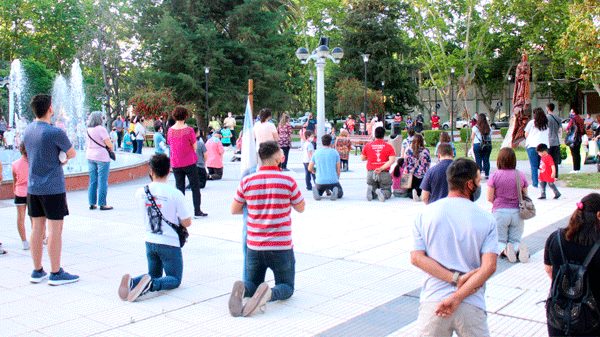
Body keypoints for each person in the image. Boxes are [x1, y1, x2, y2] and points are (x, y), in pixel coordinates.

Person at [411, 158, 498, 336]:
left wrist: (454, 279)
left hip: (433, 302)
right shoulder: (487, 219)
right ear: (470, 184)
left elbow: (416, 258)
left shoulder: (424, 214)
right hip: (472, 303)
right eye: (478, 181)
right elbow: (489, 266)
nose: (479, 185)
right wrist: (457, 295)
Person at [229, 141, 305, 317]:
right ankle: (269, 294)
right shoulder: (288, 180)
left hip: (254, 246)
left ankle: (244, 289)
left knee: (252, 283)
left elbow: (234, 209)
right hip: (281, 247)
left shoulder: (247, 181)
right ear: (278, 157)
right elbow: (300, 207)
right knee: (286, 286)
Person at [119, 153, 192, 302]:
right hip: (169, 243)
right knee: (174, 279)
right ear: (169, 171)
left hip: (150, 241)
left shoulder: (140, 193)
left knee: (153, 273)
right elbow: (187, 222)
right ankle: (150, 286)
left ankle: (132, 282)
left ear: (151, 171)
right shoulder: (175, 194)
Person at [24, 94, 78, 285]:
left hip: (33, 187)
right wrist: (61, 157)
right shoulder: (55, 132)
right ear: (50, 109)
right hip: (53, 187)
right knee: (55, 229)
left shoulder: (27, 130)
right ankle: (56, 272)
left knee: (36, 228)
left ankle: (37, 270)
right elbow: (71, 152)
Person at [544, 193, 600, 337]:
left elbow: (550, 271)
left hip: (559, 316)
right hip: (593, 319)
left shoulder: (555, 238)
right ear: (599, 215)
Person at [487, 148, 529, 263]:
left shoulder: (494, 175)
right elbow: (525, 194)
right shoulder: (520, 175)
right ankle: (518, 249)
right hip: (517, 212)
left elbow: (489, 198)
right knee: (515, 239)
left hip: (500, 211)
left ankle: (505, 250)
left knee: (499, 241)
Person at [167, 106, 207, 217]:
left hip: (176, 163)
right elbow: (194, 147)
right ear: (185, 116)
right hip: (189, 162)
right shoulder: (189, 130)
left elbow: (170, 144)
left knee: (179, 188)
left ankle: (180, 212)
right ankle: (197, 210)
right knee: (195, 187)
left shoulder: (170, 130)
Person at [87, 111, 114, 211]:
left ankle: (92, 203)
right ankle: (102, 204)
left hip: (90, 156)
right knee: (102, 181)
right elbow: (109, 144)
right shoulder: (101, 129)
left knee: (93, 180)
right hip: (102, 157)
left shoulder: (88, 129)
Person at [361, 126, 395, 202]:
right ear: (384, 135)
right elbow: (392, 160)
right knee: (387, 189)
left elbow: (362, 158)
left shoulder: (368, 145)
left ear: (374, 134)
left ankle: (372, 192)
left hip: (371, 172)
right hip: (384, 173)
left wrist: (370, 157)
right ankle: (383, 193)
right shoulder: (389, 146)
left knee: (373, 186)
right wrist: (381, 168)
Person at [309, 134, 343, 200]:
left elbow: (309, 168)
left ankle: (317, 191)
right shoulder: (335, 152)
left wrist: (314, 172)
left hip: (320, 181)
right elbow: (338, 168)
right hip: (333, 180)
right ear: (330, 142)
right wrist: (337, 177)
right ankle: (335, 191)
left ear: (322, 142)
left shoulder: (316, 153)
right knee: (340, 193)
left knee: (320, 190)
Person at [524, 107, 549, 188]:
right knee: (543, 165)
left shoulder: (532, 123)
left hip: (532, 145)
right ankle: (544, 182)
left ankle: (535, 183)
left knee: (534, 166)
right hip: (544, 146)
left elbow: (526, 134)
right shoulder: (546, 123)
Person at [12, 142, 30, 250]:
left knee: (20, 217)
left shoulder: (15, 164)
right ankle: (40, 237)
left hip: (19, 192)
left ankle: (24, 242)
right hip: (31, 192)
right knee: (35, 217)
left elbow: (15, 180)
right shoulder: (33, 163)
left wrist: (14, 190)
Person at [404, 133, 431, 202]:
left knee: (410, 190)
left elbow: (405, 163)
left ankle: (413, 193)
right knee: (422, 189)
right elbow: (428, 163)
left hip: (411, 175)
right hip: (423, 176)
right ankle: (420, 194)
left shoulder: (409, 151)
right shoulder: (426, 151)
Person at [471, 113, 492, 179]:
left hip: (477, 144)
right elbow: (490, 135)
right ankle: (486, 174)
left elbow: (472, 137)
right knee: (486, 160)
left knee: (478, 160)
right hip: (487, 144)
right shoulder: (488, 127)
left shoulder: (475, 127)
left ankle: (478, 175)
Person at [566, 107, 586, 172]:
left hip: (573, 138)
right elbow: (582, 129)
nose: (570, 113)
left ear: (574, 113)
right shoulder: (580, 119)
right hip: (579, 138)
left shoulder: (573, 119)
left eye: (572, 112)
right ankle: (578, 168)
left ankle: (575, 169)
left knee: (574, 153)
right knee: (577, 153)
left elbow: (569, 127)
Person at [546, 103, 562, 178]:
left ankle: (549, 174)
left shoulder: (547, 118)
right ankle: (555, 175)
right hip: (556, 140)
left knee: (548, 159)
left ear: (547, 108)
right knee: (555, 159)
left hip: (548, 140)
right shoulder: (558, 118)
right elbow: (559, 129)